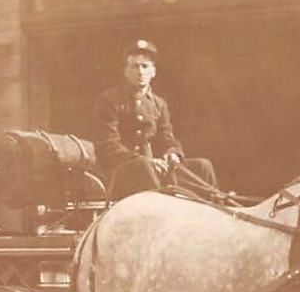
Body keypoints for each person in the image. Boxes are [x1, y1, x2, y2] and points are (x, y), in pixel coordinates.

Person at [90, 39, 218, 200]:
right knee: (144, 166)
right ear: (125, 71)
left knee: (202, 166)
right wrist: (147, 161)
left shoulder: (159, 104)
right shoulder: (109, 100)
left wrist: (172, 154)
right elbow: (109, 146)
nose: (140, 72)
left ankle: (213, 213)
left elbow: (167, 139)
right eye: (134, 66)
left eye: (145, 66)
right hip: (121, 172)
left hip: (153, 169)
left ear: (153, 72)